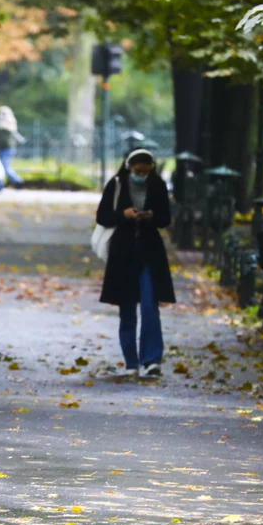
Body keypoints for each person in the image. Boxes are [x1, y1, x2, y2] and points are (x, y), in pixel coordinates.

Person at [96, 149, 176, 378]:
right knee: (127, 308)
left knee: (150, 306)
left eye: (145, 171)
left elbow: (166, 219)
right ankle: (131, 362)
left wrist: (151, 216)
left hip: (150, 253)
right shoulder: (117, 184)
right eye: (137, 171)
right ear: (129, 167)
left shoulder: (157, 185)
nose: (141, 174)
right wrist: (125, 215)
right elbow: (102, 216)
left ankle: (151, 360)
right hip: (123, 254)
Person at [0, 106, 27, 191]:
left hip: (5, 148)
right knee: (1, 166)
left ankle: (17, 180)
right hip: (9, 148)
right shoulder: (11, 124)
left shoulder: (3, 125)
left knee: (3, 166)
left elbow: (1, 140)